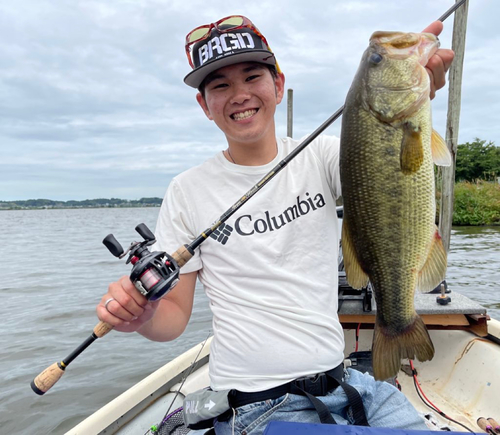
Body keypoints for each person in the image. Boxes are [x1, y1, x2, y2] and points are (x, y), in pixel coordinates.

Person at [97, 15, 454, 435]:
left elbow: (386, 176)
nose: (240, 94)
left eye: (252, 76)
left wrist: (418, 90)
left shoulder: (323, 156)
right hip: (255, 404)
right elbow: (174, 318)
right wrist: (142, 318)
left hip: (349, 384)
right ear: (204, 105)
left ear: (279, 86)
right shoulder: (187, 191)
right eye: (220, 85)